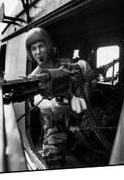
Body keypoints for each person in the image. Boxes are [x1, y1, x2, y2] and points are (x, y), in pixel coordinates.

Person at [25, 27, 94, 168]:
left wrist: (84, 81)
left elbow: (84, 81)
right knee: (53, 157)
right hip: (54, 123)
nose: (38, 52)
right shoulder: (32, 78)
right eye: (34, 49)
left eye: (41, 46)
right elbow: (36, 100)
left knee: (94, 151)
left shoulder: (66, 65)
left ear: (48, 46)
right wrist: (52, 105)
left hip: (78, 117)